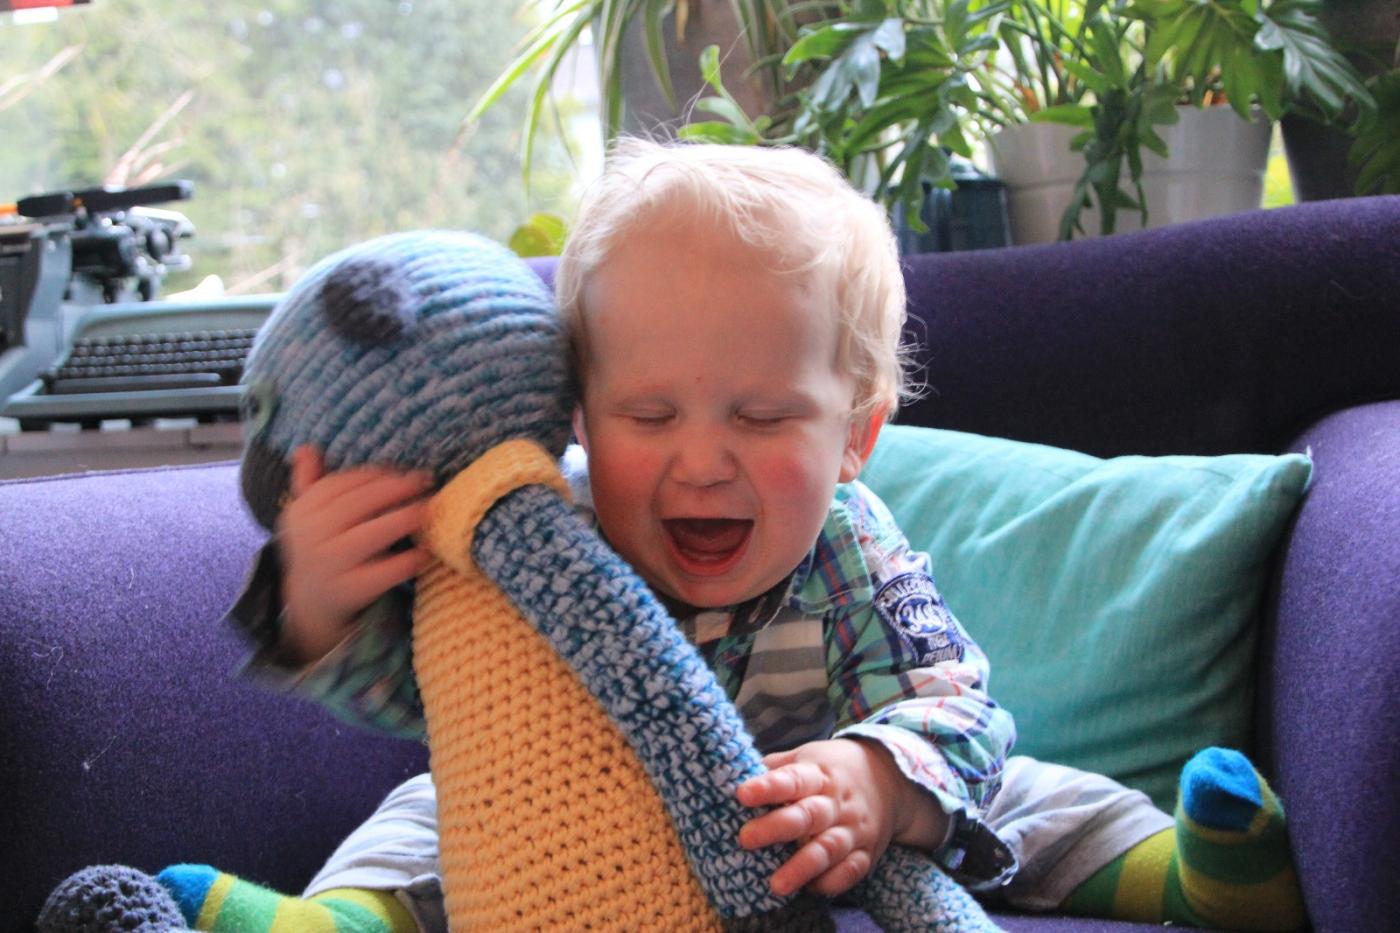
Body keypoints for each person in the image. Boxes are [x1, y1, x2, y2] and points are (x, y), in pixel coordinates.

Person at [182, 140, 1303, 933]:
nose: (701, 460)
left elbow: (955, 704)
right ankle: (328, 922)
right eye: (647, 416)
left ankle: (1187, 877)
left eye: (761, 418)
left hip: (817, 821)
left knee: (1032, 791)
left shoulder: (850, 546)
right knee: (428, 810)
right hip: (581, 827)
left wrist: (875, 782)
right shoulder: (548, 539)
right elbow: (431, 693)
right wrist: (320, 602)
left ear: (853, 435)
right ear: (579, 415)